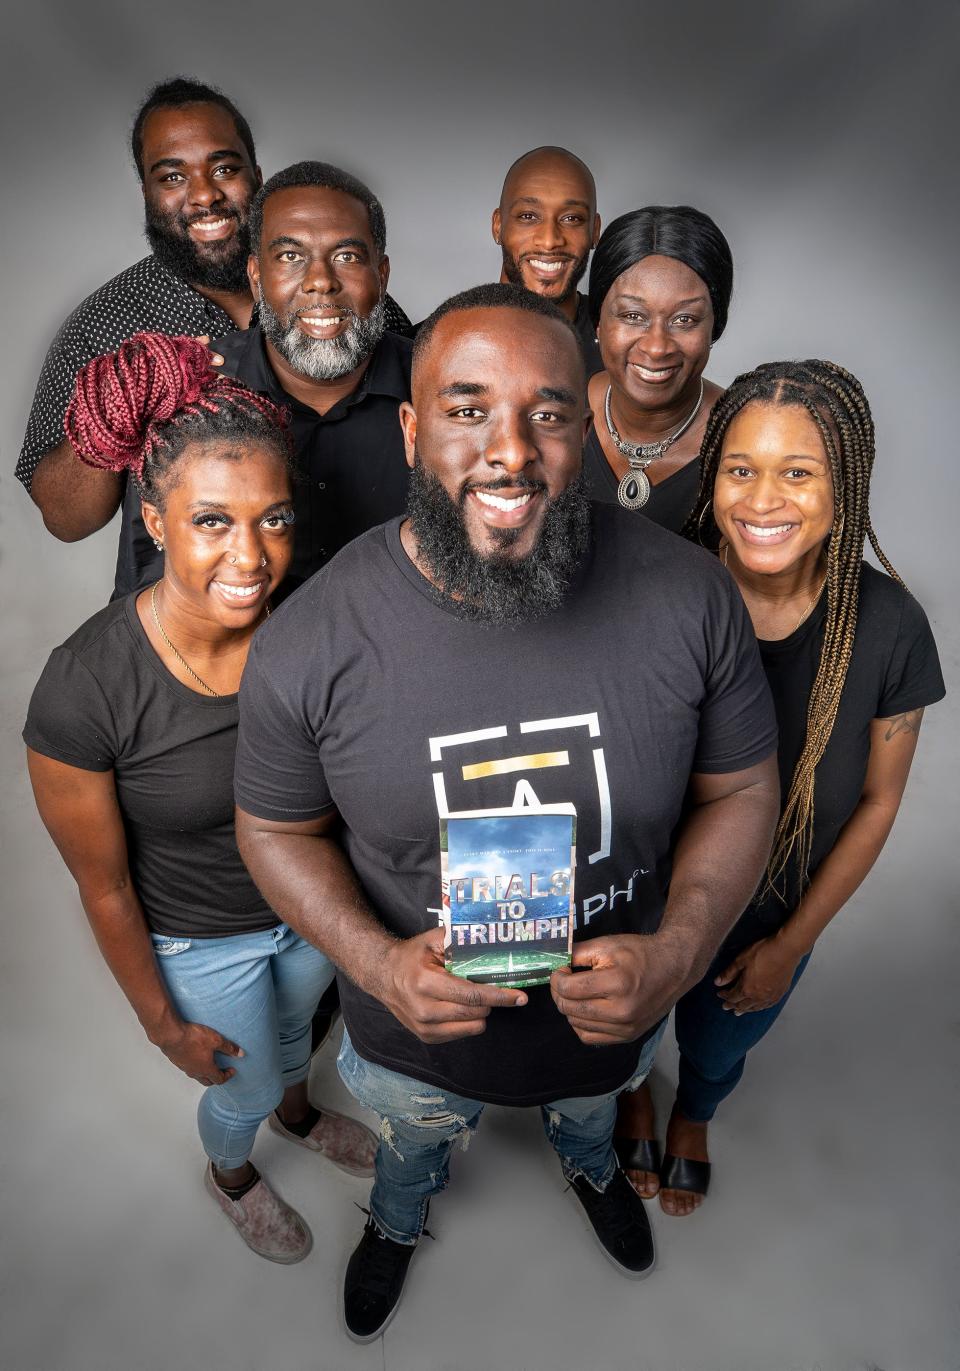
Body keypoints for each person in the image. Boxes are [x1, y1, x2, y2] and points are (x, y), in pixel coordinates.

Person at [232, 283, 781, 1339]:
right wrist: (379, 965)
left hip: (611, 1032)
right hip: (411, 1043)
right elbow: (275, 827)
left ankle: (592, 1170)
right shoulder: (313, 638)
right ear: (411, 428)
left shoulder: (689, 594)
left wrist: (674, 955)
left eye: (548, 411)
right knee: (413, 1150)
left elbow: (743, 787)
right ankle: (396, 1222)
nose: (511, 450)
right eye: (467, 406)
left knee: (588, 1124)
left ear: (585, 422)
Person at [23, 334, 377, 1264]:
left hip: (308, 906)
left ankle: (300, 1114)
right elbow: (103, 888)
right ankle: (233, 1171)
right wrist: (162, 1021)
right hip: (199, 937)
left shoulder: (312, 620)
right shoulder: (84, 686)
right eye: (213, 521)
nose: (251, 555)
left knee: (298, 1041)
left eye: (273, 519)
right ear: (153, 520)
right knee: (242, 1086)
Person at [634, 359, 944, 1215]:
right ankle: (631, 1091)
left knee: (719, 1039)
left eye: (797, 472)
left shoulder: (889, 627)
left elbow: (879, 802)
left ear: (845, 487)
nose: (762, 499)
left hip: (771, 913)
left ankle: (694, 1110)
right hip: (643, 889)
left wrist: (793, 942)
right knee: (625, 1028)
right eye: (741, 469)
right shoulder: (660, 576)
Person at [16, 77, 413, 600]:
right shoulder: (110, 321)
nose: (204, 194)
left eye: (225, 169)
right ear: (147, 193)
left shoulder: (355, 310)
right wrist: (121, 407)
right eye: (172, 176)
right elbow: (65, 519)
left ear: (258, 177)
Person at [214, 160, 413, 581]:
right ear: (256, 277)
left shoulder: (440, 389)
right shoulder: (197, 388)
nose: (320, 281)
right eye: (290, 256)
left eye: (346, 256)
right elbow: (150, 579)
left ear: (381, 275)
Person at [583, 205, 733, 531]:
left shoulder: (742, 437)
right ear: (598, 322)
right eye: (633, 316)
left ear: (714, 327)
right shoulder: (553, 413)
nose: (656, 346)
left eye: (685, 320)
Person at [493, 146, 603, 373]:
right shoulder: (437, 340)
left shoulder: (626, 346)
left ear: (595, 231)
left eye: (572, 218)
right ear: (498, 226)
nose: (549, 240)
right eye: (528, 216)